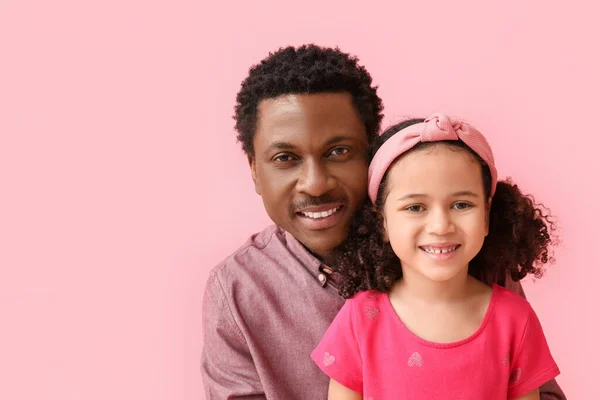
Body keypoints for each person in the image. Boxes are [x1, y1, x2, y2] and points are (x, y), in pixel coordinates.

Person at [200, 44, 566, 399]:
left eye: (339, 151)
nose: (315, 183)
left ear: (375, 156)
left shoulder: (466, 254)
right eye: (284, 157)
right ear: (254, 170)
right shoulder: (237, 291)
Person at [311, 114, 560, 400]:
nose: (441, 226)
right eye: (416, 207)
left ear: (488, 217)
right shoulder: (359, 319)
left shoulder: (516, 320)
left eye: (461, 204)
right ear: (382, 223)